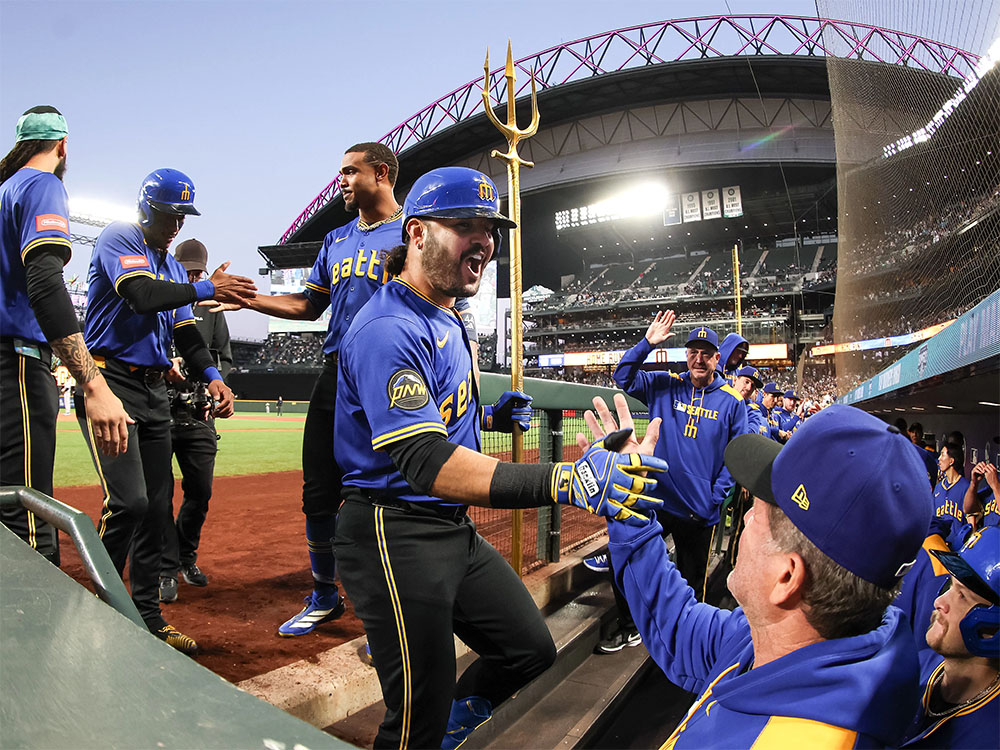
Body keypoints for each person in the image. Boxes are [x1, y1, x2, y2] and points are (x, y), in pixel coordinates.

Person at [333, 166, 668, 749]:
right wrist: (568, 479)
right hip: (393, 530)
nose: (484, 241)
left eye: (489, 228)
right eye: (465, 225)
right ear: (415, 234)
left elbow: (434, 420)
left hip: (447, 527)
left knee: (528, 650)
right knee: (414, 718)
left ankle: (446, 725)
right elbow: (426, 462)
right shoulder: (388, 325)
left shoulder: (446, 314)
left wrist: (486, 419)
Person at [210, 143, 482, 638]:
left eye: (349, 171)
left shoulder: (417, 230)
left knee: (400, 489)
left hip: (402, 370)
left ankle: (397, 606)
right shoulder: (335, 239)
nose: (341, 180)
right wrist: (247, 299)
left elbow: (444, 307)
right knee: (318, 491)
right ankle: (324, 594)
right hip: (338, 373)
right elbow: (307, 307)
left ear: (380, 173)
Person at [602, 403, 934, 747]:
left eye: (756, 515)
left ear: (786, 578)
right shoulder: (833, 642)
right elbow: (681, 628)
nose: (744, 520)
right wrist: (630, 507)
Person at [78, 168, 255, 653]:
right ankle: (99, 597)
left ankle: (149, 618)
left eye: (182, 215)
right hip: (110, 382)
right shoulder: (121, 237)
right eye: (168, 212)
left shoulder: (175, 268)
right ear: (145, 209)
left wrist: (214, 377)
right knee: (130, 501)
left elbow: (186, 336)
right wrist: (207, 289)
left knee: (157, 510)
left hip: (155, 391)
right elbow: (140, 297)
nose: (176, 223)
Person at [1, 105, 130, 564]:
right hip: (13, 364)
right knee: (27, 515)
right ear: (62, 146)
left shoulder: (3, 190)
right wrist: (93, 382)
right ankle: (33, 633)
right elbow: (44, 283)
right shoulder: (41, 185)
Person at [612, 314, 747, 597]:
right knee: (633, 566)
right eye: (693, 352)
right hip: (656, 501)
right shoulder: (665, 384)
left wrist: (714, 498)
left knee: (692, 584)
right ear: (686, 355)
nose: (699, 359)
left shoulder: (733, 402)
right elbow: (622, 376)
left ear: (716, 358)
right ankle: (630, 625)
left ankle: (686, 639)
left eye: (706, 354)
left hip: (698, 512)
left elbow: (736, 456)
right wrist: (647, 344)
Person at [158, 239, 233, 604]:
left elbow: (225, 357)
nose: (192, 276)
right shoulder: (161, 293)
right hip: (159, 408)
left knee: (200, 492)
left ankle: (186, 557)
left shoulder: (211, 308)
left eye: (197, 272)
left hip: (199, 413)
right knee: (157, 497)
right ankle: (164, 566)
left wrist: (216, 383)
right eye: (186, 270)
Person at [901, 525, 999, 747]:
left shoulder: (990, 737)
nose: (939, 602)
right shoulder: (920, 664)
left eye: (962, 596)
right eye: (950, 587)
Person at [934, 443, 970, 523]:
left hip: (957, 535)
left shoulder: (966, 487)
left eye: (942, 454)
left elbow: (971, 521)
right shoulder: (939, 486)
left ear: (951, 461)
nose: (939, 458)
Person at [732, 365, 767, 436]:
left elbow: (748, 437)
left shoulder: (753, 411)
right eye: (746, 382)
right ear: (735, 380)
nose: (748, 388)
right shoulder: (722, 399)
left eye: (753, 386)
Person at [964, 461, 999, 528]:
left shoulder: (995, 483)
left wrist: (995, 486)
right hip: (987, 536)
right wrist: (974, 483)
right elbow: (968, 509)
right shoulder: (992, 484)